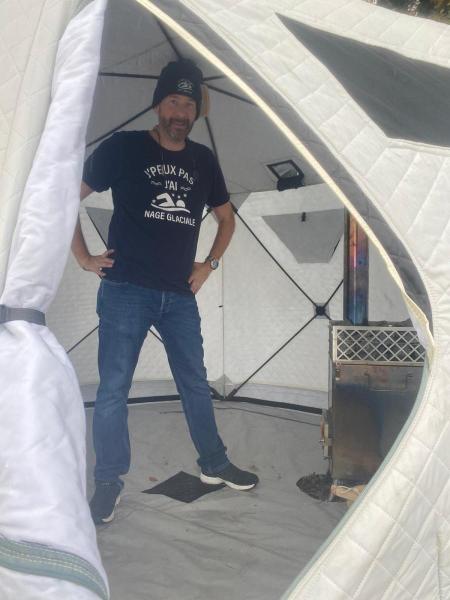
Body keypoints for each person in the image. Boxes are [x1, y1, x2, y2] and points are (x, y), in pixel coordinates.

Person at [72, 59, 258, 525]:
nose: (181, 112)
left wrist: (208, 265)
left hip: (178, 295)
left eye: (189, 104)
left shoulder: (203, 161)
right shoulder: (124, 148)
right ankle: (108, 483)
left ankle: (214, 463)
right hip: (125, 291)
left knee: (194, 381)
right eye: (174, 101)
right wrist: (83, 257)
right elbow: (65, 196)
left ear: (196, 112)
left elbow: (227, 218)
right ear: (158, 105)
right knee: (113, 391)